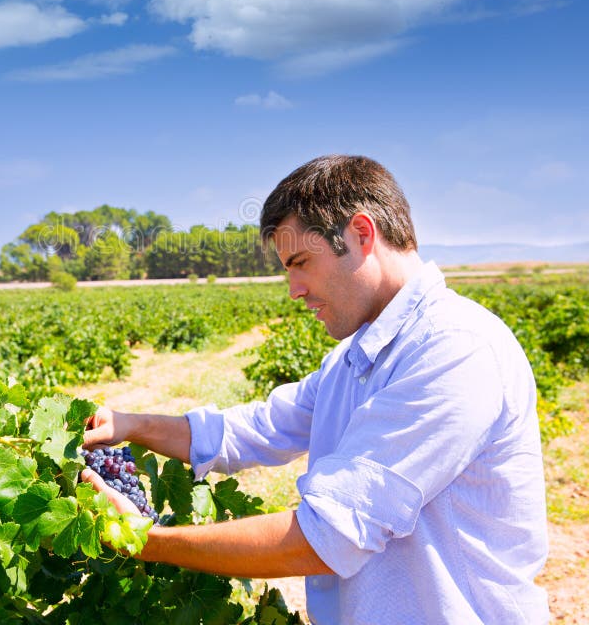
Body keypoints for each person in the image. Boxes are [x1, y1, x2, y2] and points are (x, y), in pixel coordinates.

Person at [82, 154, 549, 625]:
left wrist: (146, 539)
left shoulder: (454, 350)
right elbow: (256, 429)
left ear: (362, 234)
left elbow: (329, 537)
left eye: (301, 263)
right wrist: (128, 425)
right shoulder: (356, 358)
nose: (294, 289)